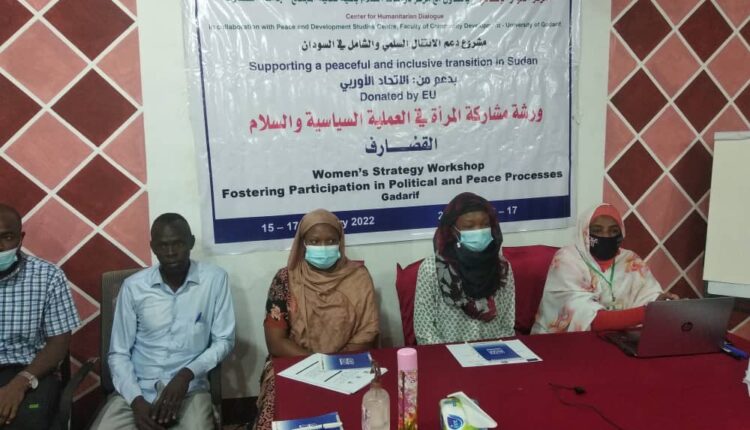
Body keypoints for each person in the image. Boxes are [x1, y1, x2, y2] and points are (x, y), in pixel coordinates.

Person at [90, 213, 235, 430]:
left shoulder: (214, 280)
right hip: (137, 389)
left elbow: (224, 340)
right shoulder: (133, 287)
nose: (170, 252)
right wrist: (136, 401)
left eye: (178, 243)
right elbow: (119, 353)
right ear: (153, 247)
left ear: (191, 242)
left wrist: (186, 375)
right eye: (163, 245)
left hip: (190, 389)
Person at [253, 209, 379, 430]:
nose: (323, 247)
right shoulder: (285, 279)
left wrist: (335, 366)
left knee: (371, 412)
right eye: (315, 241)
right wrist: (319, 365)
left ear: (340, 242)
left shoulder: (359, 277)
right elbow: (276, 341)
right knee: (276, 417)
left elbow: (368, 333)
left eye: (330, 241)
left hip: (348, 363)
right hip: (294, 362)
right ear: (303, 244)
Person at [532, 204, 677, 334]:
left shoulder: (630, 260)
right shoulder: (567, 259)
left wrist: (660, 302)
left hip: (619, 339)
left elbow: (647, 296)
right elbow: (591, 320)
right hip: (562, 343)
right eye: (597, 230)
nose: (606, 236)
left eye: (613, 231)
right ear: (585, 231)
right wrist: (649, 313)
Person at [0, 203, 80, 429]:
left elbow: (59, 342)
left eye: (7, 237)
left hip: (28, 371)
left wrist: (20, 384)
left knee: (26, 422)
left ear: (21, 238)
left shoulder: (48, 276)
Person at [413, 192, 516, 345]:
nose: (479, 230)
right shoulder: (431, 269)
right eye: (469, 226)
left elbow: (507, 325)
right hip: (446, 353)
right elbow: (425, 332)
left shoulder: (502, 266)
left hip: (494, 351)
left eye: (485, 224)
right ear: (452, 230)